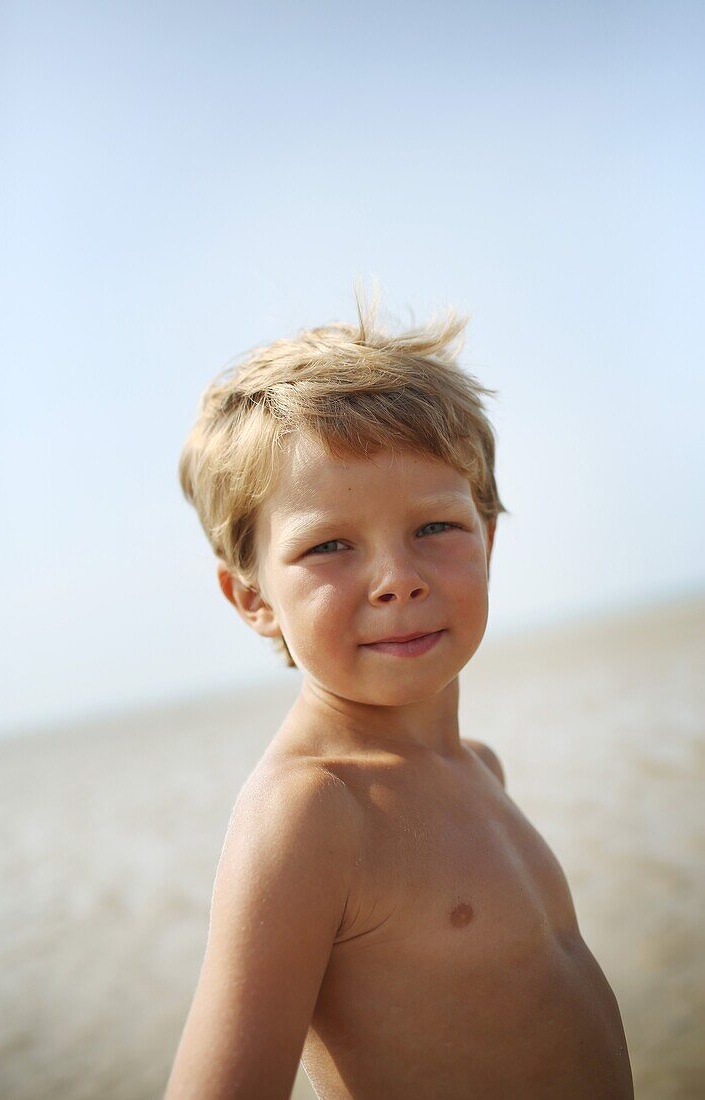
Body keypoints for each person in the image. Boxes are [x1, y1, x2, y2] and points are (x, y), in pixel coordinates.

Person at [164, 285, 634, 1099]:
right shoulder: (311, 812)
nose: (396, 580)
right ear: (252, 598)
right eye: (329, 546)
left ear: (486, 536)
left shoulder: (480, 768)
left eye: (434, 528)